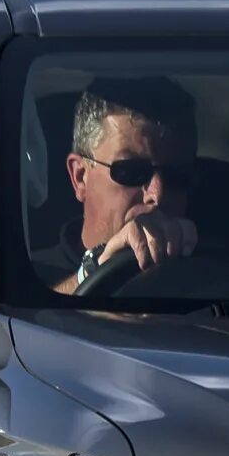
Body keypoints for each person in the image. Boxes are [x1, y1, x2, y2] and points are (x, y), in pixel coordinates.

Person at [54, 76, 200, 294]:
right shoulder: (15, 276)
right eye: (132, 171)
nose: (157, 194)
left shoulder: (221, 277)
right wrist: (92, 274)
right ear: (80, 176)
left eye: (177, 175)